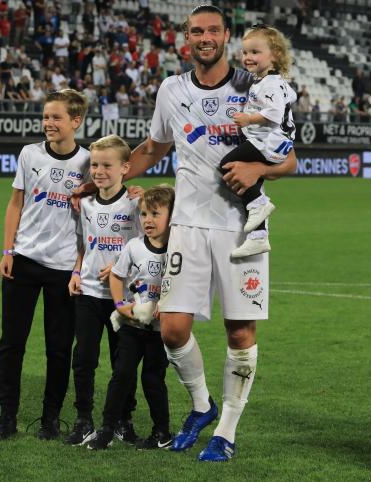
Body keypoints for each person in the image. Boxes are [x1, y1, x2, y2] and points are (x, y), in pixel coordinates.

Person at [121, 5, 296, 462]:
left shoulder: (254, 86)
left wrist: (259, 169)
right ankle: (202, 406)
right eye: (197, 31)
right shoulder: (171, 89)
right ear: (186, 37)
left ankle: (226, 431)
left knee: (240, 333)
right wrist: (109, 178)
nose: (205, 38)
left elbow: (289, 158)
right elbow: (153, 147)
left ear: (226, 35)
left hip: (240, 228)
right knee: (172, 329)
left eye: (213, 30)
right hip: (187, 225)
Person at [0, 89, 92, 441]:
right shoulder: (29, 153)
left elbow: (96, 214)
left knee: (59, 349)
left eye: (56, 117)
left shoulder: (89, 162)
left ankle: (50, 419)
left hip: (63, 269)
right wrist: (8, 250)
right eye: (46, 116)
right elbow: (15, 203)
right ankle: (7, 416)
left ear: (75, 121)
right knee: (11, 343)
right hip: (23, 261)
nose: (48, 123)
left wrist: (78, 268)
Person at [65, 135, 140, 446]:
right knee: (83, 357)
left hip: (124, 298)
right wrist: (76, 271)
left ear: (125, 168)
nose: (99, 171)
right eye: (95, 165)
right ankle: (83, 419)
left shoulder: (137, 204)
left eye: (107, 165)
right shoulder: (86, 204)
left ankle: (123, 418)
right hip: (89, 292)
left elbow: (147, 246)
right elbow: (85, 243)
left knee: (123, 362)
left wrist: (121, 269)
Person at [87, 185, 175, 451]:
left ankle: (162, 432)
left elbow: (186, 283)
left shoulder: (177, 250)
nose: (148, 220)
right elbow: (116, 275)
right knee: (121, 374)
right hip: (132, 327)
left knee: (153, 379)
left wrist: (168, 305)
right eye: (144, 214)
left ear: (172, 216)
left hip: (159, 331)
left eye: (156, 214)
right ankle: (107, 429)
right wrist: (120, 304)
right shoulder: (134, 246)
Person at [219, 24, 297, 258]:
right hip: (276, 142)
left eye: (255, 52)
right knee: (245, 174)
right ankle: (259, 236)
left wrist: (248, 119)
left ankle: (259, 203)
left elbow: (274, 113)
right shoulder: (271, 81)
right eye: (245, 52)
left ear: (275, 55)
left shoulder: (269, 83)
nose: (248, 57)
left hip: (269, 142)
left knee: (226, 165)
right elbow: (289, 97)